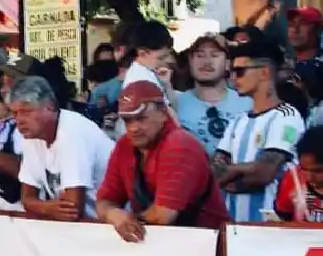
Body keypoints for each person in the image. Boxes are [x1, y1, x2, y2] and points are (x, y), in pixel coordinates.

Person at [95, 80, 228, 242]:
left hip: (206, 246)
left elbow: (163, 216)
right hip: (162, 244)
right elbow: (104, 202)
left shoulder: (180, 145)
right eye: (127, 120)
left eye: (141, 118)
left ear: (163, 114)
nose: (133, 128)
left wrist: (125, 219)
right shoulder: (125, 145)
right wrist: (114, 214)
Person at [214, 38, 306, 222]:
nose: (233, 78)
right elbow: (215, 171)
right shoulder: (237, 120)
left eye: (239, 72)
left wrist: (231, 172)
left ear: (264, 72)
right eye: (231, 72)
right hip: (234, 227)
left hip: (272, 228)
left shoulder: (287, 116)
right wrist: (240, 171)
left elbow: (264, 172)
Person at [11, 75, 114, 220]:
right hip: (90, 224)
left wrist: (42, 207)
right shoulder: (32, 135)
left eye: (27, 112)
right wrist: (48, 208)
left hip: (113, 222)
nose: (19, 120)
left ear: (51, 106)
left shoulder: (72, 131)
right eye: (15, 113)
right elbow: (26, 198)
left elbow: (72, 209)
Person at [176, 34, 251, 155]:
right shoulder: (175, 104)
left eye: (214, 55)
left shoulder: (248, 104)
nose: (206, 62)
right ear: (190, 61)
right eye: (200, 55)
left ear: (228, 63)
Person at [275, 125, 323, 222]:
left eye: (318, 171)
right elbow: (282, 220)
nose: (309, 177)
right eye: (303, 169)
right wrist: (297, 211)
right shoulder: (293, 180)